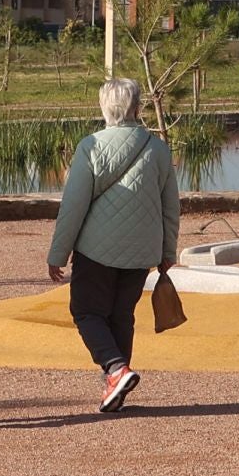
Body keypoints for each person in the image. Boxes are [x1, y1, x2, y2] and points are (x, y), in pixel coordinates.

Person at [47, 77, 180, 413]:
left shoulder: (91, 146)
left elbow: (73, 206)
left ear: (104, 108)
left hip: (96, 248)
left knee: (87, 311)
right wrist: (167, 253)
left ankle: (116, 369)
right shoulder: (158, 148)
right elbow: (170, 207)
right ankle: (115, 384)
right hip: (142, 250)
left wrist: (57, 253)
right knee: (122, 315)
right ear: (137, 108)